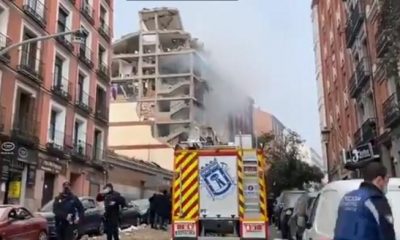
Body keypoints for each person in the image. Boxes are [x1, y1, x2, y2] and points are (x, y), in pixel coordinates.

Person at [333, 161, 396, 240]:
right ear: (379, 180)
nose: (386, 185)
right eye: (386, 181)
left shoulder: (347, 197)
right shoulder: (376, 200)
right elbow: (388, 234)